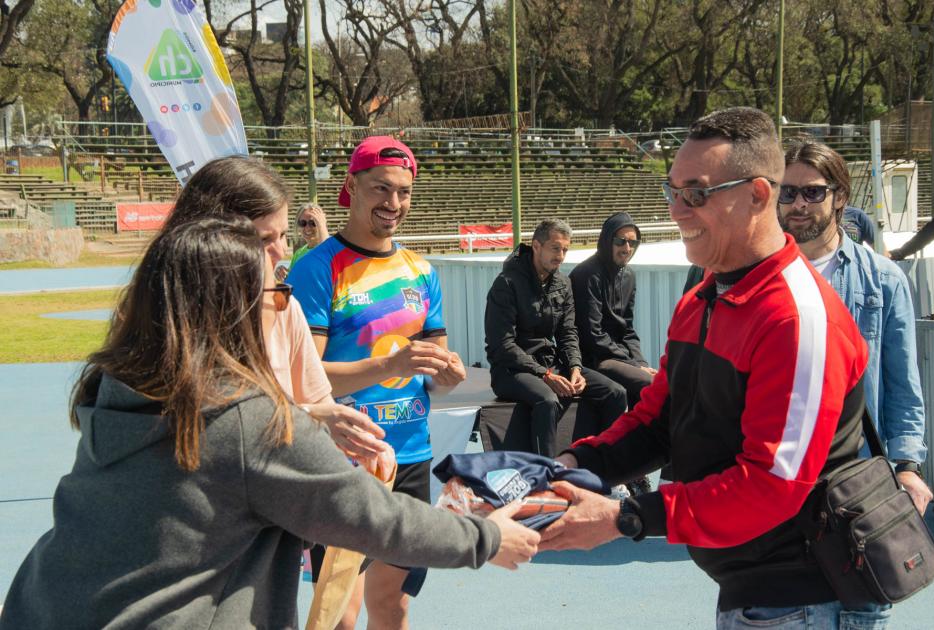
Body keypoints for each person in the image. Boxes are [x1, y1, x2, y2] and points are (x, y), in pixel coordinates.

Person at [0, 215, 539, 630]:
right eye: (277, 292)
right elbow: (373, 518)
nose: (287, 307)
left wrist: (312, 413)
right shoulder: (246, 422)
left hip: (39, 606)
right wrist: (486, 537)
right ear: (231, 307)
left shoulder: (117, 390)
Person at [539, 107, 886, 629]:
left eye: (696, 194)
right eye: (672, 190)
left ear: (758, 195)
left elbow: (772, 485)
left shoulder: (796, 318)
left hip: (809, 601)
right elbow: (660, 420)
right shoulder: (704, 297)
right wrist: (571, 466)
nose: (677, 211)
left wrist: (625, 516)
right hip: (755, 593)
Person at [287, 136, 467, 629]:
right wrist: (391, 366)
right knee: (339, 614)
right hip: (342, 458)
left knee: (393, 605)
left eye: (404, 192)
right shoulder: (317, 269)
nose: (394, 204)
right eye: (381, 189)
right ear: (351, 186)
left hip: (409, 456)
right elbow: (306, 377)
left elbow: (435, 372)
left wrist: (448, 375)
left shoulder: (421, 271)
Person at [164, 156, 386, 461]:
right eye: (265, 238)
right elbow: (198, 431)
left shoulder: (284, 306)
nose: (280, 250)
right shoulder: (168, 318)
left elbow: (321, 402)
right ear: (212, 238)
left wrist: (354, 445)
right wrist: (309, 416)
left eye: (282, 235)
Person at [779, 139, 932, 515]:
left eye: (813, 192)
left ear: (840, 195)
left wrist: (908, 466)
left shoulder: (882, 278)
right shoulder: (751, 276)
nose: (799, 203)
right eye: (787, 191)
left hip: (854, 470)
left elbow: (902, 380)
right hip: (772, 469)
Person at [484, 219, 627, 458]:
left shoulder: (562, 282)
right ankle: (548, 476)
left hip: (550, 364)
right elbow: (502, 345)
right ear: (536, 246)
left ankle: (605, 468)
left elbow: (568, 332)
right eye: (555, 248)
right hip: (510, 370)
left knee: (616, 393)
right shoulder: (506, 284)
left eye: (565, 250)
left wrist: (575, 367)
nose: (560, 256)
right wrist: (544, 374)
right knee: (548, 400)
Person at [569, 212, 656, 406]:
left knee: (659, 381)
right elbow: (592, 335)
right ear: (607, 241)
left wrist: (641, 363)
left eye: (632, 243)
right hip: (594, 357)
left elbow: (628, 329)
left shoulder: (629, 275)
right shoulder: (587, 274)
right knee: (649, 384)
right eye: (620, 241)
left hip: (618, 356)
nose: (627, 248)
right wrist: (633, 365)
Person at [282, 203, 329, 279]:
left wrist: (322, 226)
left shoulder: (333, 246)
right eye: (302, 223)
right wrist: (283, 274)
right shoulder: (299, 253)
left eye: (313, 223)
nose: (307, 228)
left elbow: (328, 257)